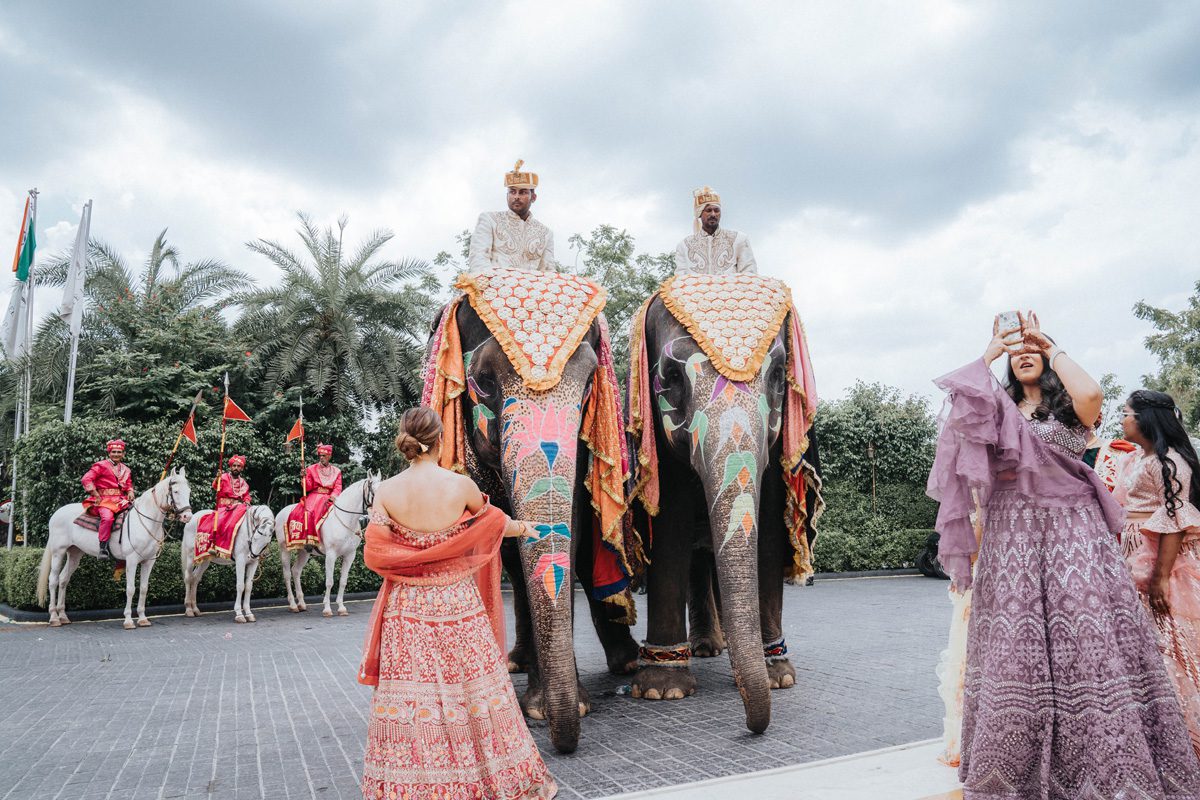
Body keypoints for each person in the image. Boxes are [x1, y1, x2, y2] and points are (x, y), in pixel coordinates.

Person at [927, 311, 1200, 797]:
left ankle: (1105, 767)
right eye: (1018, 353)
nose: (1024, 354)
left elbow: (1092, 393)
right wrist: (993, 350)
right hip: (1011, 538)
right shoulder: (994, 410)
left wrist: (1048, 344)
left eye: (1033, 350)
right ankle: (1016, 769)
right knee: (1015, 652)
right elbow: (962, 421)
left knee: (1086, 640)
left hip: (1074, 535)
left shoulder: (1071, 410)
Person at [358, 406, 557, 800]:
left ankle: (411, 787)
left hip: (407, 608)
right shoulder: (459, 485)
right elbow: (494, 524)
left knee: (415, 697)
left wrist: (413, 555)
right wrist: (526, 528)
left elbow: (376, 552)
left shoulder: (388, 491)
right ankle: (488, 779)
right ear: (439, 439)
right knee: (472, 691)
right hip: (458, 605)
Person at [1117, 389, 1200, 757]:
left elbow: (1176, 521)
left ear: (1146, 418)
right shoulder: (1141, 457)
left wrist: (1161, 577)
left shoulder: (1168, 462)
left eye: (1126, 414)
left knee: (1168, 639)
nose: (1122, 420)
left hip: (1159, 558)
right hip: (1135, 550)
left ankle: (1179, 728)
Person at [467, 159, 556, 272]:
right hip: (494, 285)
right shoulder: (489, 220)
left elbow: (548, 271)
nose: (516, 197)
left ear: (533, 197)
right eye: (512, 192)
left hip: (531, 288)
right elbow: (478, 260)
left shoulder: (545, 233)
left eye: (523, 192)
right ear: (507, 195)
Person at [673, 186, 757, 274]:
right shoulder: (684, 246)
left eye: (716, 210)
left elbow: (750, 273)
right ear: (700, 213)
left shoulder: (739, 239)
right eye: (708, 210)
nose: (713, 214)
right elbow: (680, 279)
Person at [81, 439, 135, 559]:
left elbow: (129, 484)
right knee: (107, 518)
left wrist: (130, 491)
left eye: (119, 452)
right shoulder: (101, 465)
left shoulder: (126, 469)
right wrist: (95, 494)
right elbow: (86, 479)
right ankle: (103, 548)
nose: (116, 454)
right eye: (114, 452)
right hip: (105, 501)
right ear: (109, 453)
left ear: (123, 454)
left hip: (121, 500)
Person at [284, 444, 342, 552]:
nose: (321, 457)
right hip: (315, 495)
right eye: (320, 455)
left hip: (330, 497)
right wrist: (304, 477)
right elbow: (308, 486)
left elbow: (338, 486)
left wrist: (333, 496)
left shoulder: (337, 471)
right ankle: (309, 538)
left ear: (329, 456)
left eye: (324, 455)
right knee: (309, 512)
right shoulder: (311, 469)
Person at [195, 455, 252, 561]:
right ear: (230, 467)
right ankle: (213, 544)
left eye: (238, 466)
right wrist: (218, 478)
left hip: (239, 507)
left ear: (242, 468)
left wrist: (247, 501)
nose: (236, 467)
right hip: (224, 507)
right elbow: (215, 486)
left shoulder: (243, 482)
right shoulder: (224, 477)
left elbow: (246, 496)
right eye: (234, 465)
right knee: (219, 521)